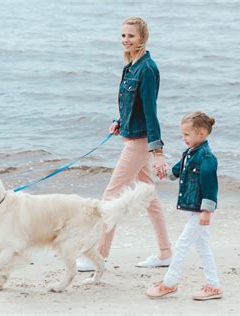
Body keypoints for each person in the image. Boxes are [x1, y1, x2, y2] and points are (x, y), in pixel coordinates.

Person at [77, 16, 172, 272]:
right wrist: (120, 121)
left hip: (139, 143)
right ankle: (165, 253)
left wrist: (158, 153)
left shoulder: (147, 69)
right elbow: (134, 105)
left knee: (111, 196)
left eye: (131, 36)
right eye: (123, 36)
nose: (126, 40)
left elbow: (151, 113)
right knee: (150, 198)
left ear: (142, 38)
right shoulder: (130, 66)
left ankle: (99, 256)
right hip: (131, 136)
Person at [146, 111, 223, 300]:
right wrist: (169, 174)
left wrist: (207, 210)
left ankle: (169, 283)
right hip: (193, 209)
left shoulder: (206, 157)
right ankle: (214, 286)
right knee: (202, 246)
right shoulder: (191, 153)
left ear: (201, 134)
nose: (184, 138)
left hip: (200, 211)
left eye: (187, 135)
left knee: (181, 244)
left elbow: (210, 185)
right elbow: (182, 166)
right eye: (183, 134)